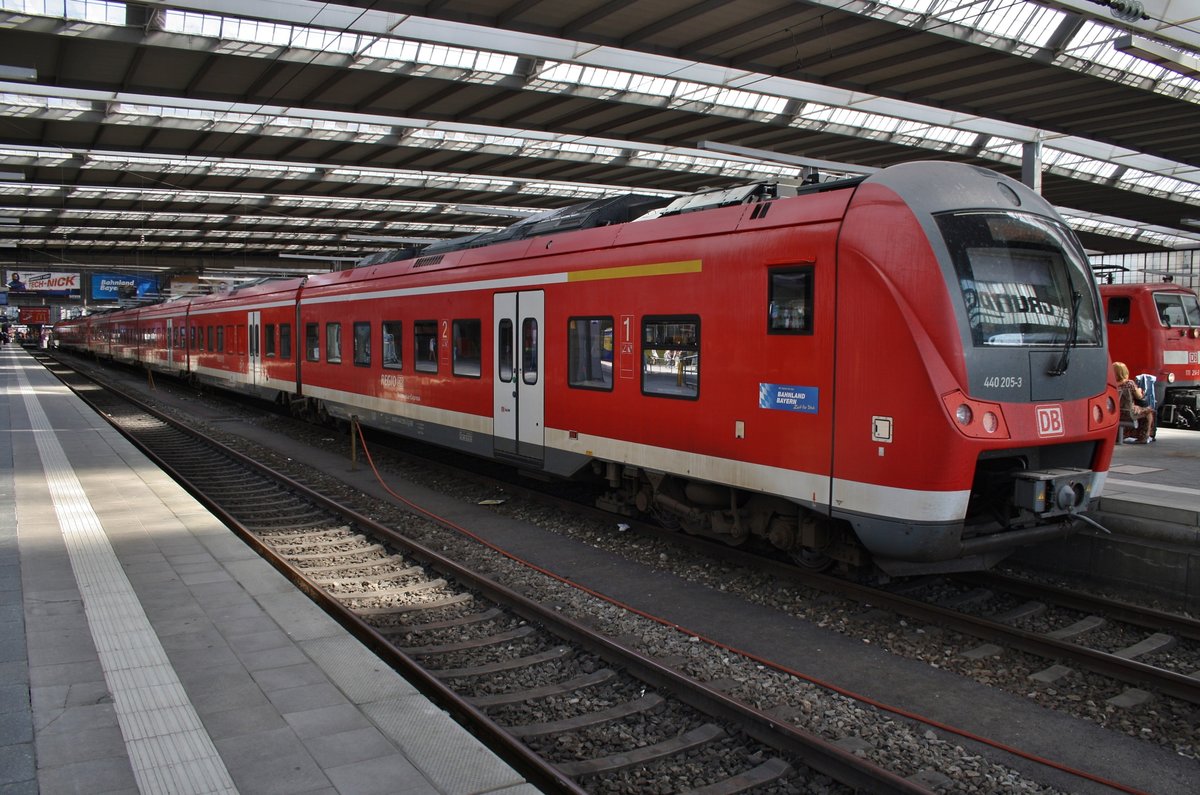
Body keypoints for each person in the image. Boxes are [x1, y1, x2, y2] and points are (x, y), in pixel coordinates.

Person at [1113, 361, 1155, 443]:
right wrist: (1139, 390)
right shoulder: (1129, 383)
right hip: (1128, 412)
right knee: (1149, 411)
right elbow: (1139, 396)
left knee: (1139, 409)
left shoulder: (1110, 384)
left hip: (1114, 412)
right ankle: (1144, 436)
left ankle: (1124, 435)